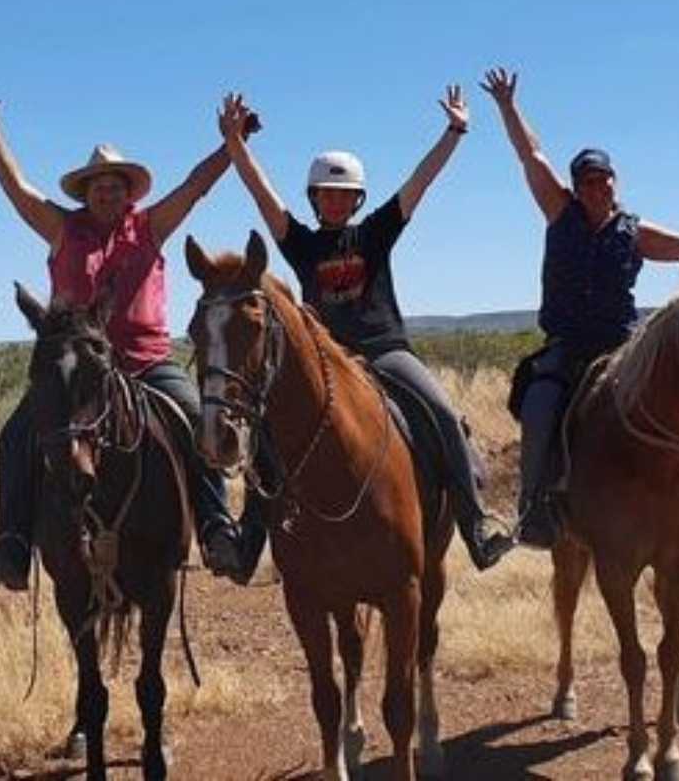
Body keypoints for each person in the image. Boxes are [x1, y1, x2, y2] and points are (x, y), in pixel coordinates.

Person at [480, 67, 679, 547]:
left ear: (615, 183)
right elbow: (531, 154)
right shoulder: (559, 213)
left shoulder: (634, 232)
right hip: (569, 344)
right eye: (586, 181)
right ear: (575, 186)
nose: (596, 188)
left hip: (624, 343)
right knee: (542, 402)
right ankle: (536, 506)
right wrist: (507, 106)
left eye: (603, 179)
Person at [0, 88, 260, 589]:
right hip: (77, 368)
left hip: (146, 361)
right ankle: (11, 541)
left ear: (129, 192)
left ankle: (214, 527)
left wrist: (230, 145)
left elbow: (194, 187)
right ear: (86, 193)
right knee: (16, 436)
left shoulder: (149, 227)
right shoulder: (61, 227)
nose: (107, 193)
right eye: (98, 186)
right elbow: (16, 188)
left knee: (193, 419)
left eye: (115, 186)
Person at [217, 86, 515, 571]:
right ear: (314, 199)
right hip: (326, 361)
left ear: (357, 201)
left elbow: (419, 183)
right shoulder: (302, 244)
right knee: (267, 435)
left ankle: (476, 525)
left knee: (439, 412)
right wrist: (236, 145)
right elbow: (261, 194)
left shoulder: (374, 232)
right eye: (326, 195)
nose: (335, 202)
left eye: (345, 195)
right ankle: (248, 542)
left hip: (383, 351)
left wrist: (454, 132)